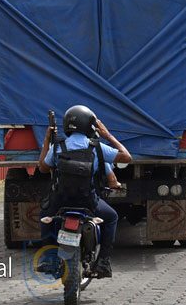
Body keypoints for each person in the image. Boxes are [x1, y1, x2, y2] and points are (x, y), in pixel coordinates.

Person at [37, 105, 131, 278]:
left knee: (45, 216)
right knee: (112, 217)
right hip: (88, 201)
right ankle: (103, 262)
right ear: (90, 126)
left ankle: (50, 259)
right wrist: (107, 135)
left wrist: (47, 139)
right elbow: (126, 157)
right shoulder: (97, 147)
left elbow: (42, 168)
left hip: (61, 200)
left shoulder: (58, 147)